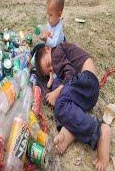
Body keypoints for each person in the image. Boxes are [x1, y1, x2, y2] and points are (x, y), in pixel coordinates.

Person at [34, 42, 111, 171]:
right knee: (63, 102)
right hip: (85, 91)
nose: (52, 68)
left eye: (49, 64)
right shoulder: (57, 63)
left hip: (86, 81)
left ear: (47, 49)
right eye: (49, 71)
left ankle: (99, 131)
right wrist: (51, 82)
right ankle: (69, 132)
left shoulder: (56, 52)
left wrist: (57, 92)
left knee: (60, 105)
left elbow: (70, 73)